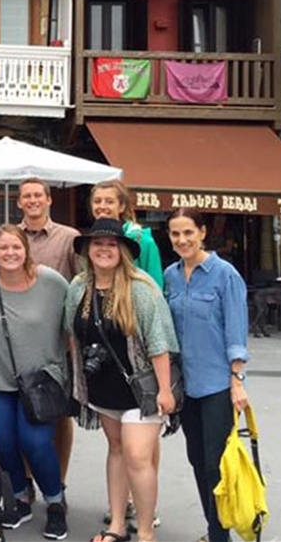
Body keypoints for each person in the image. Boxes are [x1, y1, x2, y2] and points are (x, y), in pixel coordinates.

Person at [65, 218, 179, 542]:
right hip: (104, 386)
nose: (103, 249)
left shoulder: (140, 288)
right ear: (88, 250)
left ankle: (144, 533)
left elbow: (158, 343)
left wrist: (166, 391)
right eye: (97, 243)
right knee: (116, 449)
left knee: (137, 455)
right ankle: (116, 526)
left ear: (122, 251)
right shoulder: (78, 287)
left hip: (144, 389)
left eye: (111, 244)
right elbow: (72, 332)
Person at [0, 224, 70, 539]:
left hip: (40, 382)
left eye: (16, 247)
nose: (10, 253)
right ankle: (20, 494)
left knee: (36, 443)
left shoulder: (52, 283)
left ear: (26, 250)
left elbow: (70, 327)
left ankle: (55, 501)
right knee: (2, 443)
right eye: (3, 248)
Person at [164, 208, 251, 542]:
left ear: (202, 232)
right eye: (175, 234)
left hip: (217, 384)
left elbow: (236, 330)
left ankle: (219, 534)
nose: (182, 240)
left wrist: (237, 379)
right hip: (186, 385)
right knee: (197, 458)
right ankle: (214, 526)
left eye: (188, 232)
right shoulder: (171, 276)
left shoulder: (224, 274)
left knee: (216, 462)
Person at [16, 177, 81, 498]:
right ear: (19, 202)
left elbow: (83, 284)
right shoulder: (11, 237)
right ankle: (26, 481)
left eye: (37, 195)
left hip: (59, 341)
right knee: (26, 411)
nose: (32, 201)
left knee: (58, 414)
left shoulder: (69, 238)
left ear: (49, 199)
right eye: (26, 196)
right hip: (19, 340)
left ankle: (61, 481)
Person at [90, 180, 163, 288]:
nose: (102, 206)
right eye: (97, 201)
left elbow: (155, 285)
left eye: (109, 202)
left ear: (121, 207)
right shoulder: (90, 240)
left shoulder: (142, 240)